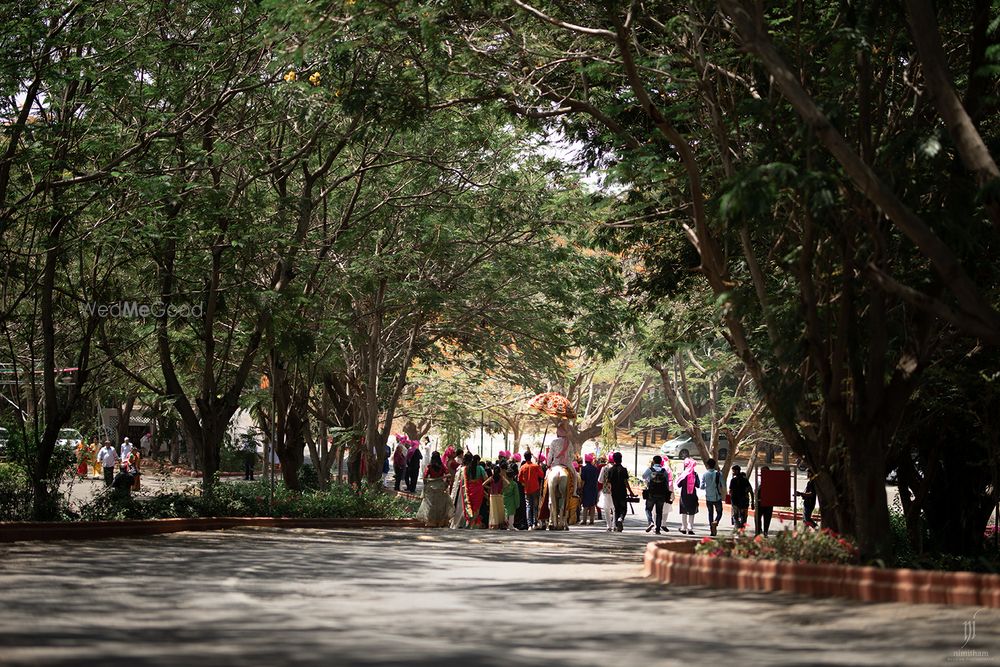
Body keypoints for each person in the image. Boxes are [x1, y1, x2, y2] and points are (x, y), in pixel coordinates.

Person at [416, 451, 453, 527]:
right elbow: (448, 474)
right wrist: (446, 483)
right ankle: (440, 522)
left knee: (430, 505)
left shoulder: (429, 466)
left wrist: (425, 485)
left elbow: (425, 477)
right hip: (440, 487)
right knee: (440, 505)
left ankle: (430, 522)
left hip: (431, 487)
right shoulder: (442, 466)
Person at [642, 455, 672, 534]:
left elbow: (643, 476)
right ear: (660, 462)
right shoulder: (664, 471)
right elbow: (667, 483)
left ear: (654, 461)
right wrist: (667, 494)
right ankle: (657, 529)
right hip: (661, 494)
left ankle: (651, 522)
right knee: (659, 512)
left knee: (648, 509)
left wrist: (649, 480)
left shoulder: (650, 470)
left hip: (651, 493)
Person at [605, 452, 634, 532]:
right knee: (623, 508)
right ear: (621, 459)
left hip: (614, 492)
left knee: (616, 508)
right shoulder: (624, 470)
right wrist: (630, 491)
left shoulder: (611, 470)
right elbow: (626, 482)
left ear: (614, 459)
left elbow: (608, 481)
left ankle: (618, 525)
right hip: (622, 491)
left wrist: (610, 489)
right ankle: (620, 519)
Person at [517, 452, 545, 530]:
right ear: (530, 457)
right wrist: (539, 467)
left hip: (527, 489)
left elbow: (519, 478)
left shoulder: (523, 467)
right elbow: (542, 475)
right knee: (535, 506)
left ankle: (529, 524)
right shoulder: (535, 466)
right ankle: (535, 523)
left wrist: (525, 482)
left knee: (528, 506)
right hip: (535, 488)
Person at [701, 458, 725, 536]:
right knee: (720, 512)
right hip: (717, 497)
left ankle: (712, 530)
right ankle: (716, 521)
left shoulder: (705, 474)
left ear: (707, 465)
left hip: (708, 497)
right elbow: (723, 485)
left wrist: (707, 487)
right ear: (714, 465)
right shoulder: (718, 474)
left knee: (710, 513)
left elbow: (701, 486)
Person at [677, 457, 699, 535]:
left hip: (684, 495)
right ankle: (690, 528)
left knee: (684, 511)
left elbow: (679, 485)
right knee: (692, 512)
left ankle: (683, 527)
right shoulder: (695, 474)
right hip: (692, 495)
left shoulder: (683, 474)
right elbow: (698, 485)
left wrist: (679, 477)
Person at [482, 465, 509, 529]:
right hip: (499, 495)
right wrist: (503, 488)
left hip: (492, 496)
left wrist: (490, 488)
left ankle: (494, 524)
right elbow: (508, 483)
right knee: (500, 510)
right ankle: (501, 524)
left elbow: (483, 484)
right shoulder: (501, 477)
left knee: (494, 511)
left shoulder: (491, 478)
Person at [729, 465, 753, 530]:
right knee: (743, 516)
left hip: (735, 501)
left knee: (736, 516)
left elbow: (730, 491)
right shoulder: (745, 480)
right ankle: (742, 529)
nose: (733, 473)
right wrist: (752, 501)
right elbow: (750, 490)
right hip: (744, 501)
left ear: (737, 471)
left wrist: (730, 499)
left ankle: (737, 529)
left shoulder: (733, 480)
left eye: (733, 471)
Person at [580, 453, 600, 525]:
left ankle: (584, 520)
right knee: (592, 505)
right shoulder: (595, 469)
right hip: (594, 488)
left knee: (585, 505)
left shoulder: (584, 469)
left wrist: (581, 488)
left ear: (585, 461)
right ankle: (592, 520)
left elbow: (583, 480)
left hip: (586, 488)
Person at [755, 466, 774, 537]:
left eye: (764, 471)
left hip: (768, 503)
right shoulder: (758, 480)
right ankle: (758, 531)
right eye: (761, 471)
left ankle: (765, 532)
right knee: (757, 518)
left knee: (767, 518)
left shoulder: (771, 481)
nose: (762, 473)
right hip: (759, 503)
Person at [503, 462, 521, 530]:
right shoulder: (514, 484)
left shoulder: (504, 483)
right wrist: (517, 503)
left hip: (504, 499)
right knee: (511, 513)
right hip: (512, 501)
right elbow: (516, 495)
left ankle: (506, 524)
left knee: (505, 512)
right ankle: (510, 525)